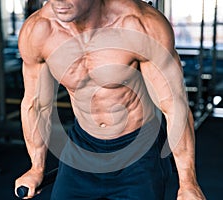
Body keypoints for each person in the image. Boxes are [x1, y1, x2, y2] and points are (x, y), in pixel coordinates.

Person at [15, 0, 206, 199]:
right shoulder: (39, 31)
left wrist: (188, 183)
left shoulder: (139, 25)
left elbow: (174, 105)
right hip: (82, 147)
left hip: (138, 152)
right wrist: (36, 168)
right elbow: (36, 104)